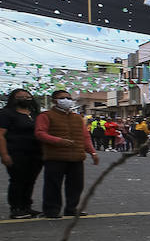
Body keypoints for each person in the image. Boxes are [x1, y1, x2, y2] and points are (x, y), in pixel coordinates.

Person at [34, 89, 99, 218]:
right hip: (55, 157)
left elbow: (85, 136)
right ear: (54, 101)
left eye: (69, 98)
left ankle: (72, 209)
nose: (67, 101)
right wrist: (59, 141)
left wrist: (92, 152)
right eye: (63, 98)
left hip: (76, 157)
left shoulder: (77, 117)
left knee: (76, 185)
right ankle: (52, 210)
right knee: (53, 185)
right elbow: (40, 133)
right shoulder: (45, 116)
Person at [0, 88, 42, 218]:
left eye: (27, 96)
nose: (25, 99)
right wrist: (4, 154)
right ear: (13, 98)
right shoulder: (6, 113)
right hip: (16, 153)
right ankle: (16, 208)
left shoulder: (35, 114)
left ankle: (26, 206)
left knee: (30, 180)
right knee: (18, 180)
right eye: (21, 97)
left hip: (36, 153)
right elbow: (1, 135)